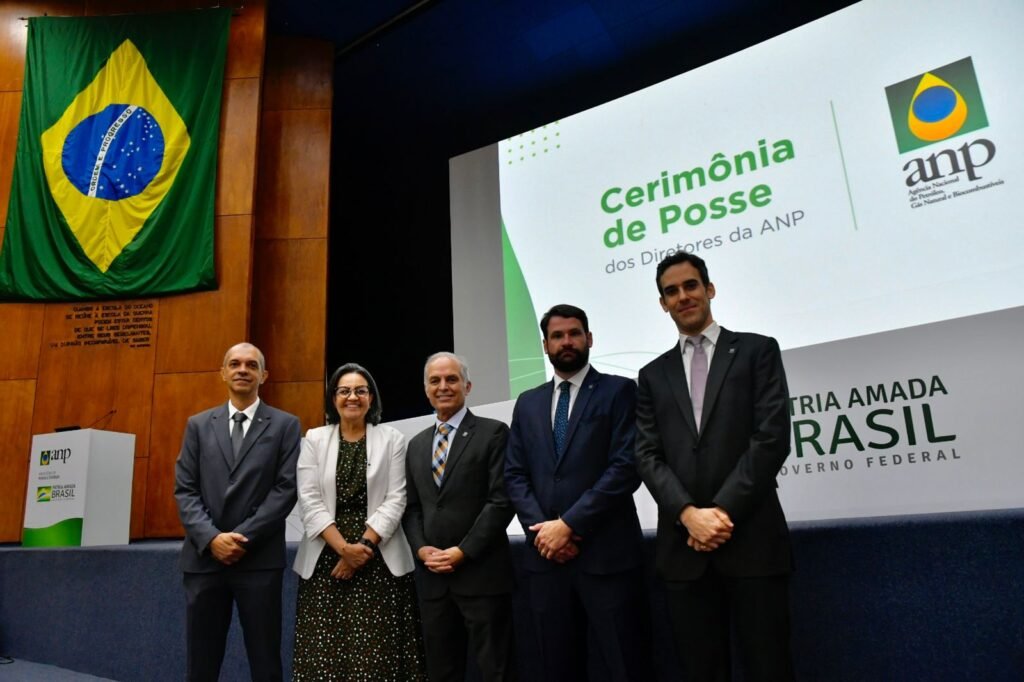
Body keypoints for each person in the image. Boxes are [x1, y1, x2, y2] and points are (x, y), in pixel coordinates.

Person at [635, 252, 794, 682]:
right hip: (683, 550)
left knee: (770, 668)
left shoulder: (757, 350)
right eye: (671, 291)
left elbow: (771, 437)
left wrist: (720, 513)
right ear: (663, 303)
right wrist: (689, 515)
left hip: (752, 540)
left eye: (691, 285)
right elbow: (646, 455)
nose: (683, 296)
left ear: (709, 289)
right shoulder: (651, 375)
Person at [505, 304, 651, 681]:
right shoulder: (528, 402)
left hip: (607, 559)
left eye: (574, 333)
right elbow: (515, 474)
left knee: (626, 666)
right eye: (557, 336)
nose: (566, 342)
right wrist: (544, 533)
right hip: (546, 563)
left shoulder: (620, 391)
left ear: (589, 339)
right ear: (545, 345)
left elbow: (625, 467)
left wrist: (568, 525)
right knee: (556, 669)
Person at [174, 342, 301, 682]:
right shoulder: (198, 425)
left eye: (251, 365)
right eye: (234, 364)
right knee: (201, 664)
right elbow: (185, 489)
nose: (242, 370)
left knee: (265, 661)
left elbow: (286, 489)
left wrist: (242, 537)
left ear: (264, 375)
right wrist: (212, 538)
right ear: (223, 373)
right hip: (204, 560)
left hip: (258, 560)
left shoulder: (286, 425)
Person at [292, 362, 426, 680]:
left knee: (377, 657)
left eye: (360, 391)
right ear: (333, 398)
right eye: (344, 391)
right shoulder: (314, 439)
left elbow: (396, 499)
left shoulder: (392, 439)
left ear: (371, 398)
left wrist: (361, 549)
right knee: (324, 658)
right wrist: (344, 550)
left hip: (378, 559)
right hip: (326, 560)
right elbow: (309, 500)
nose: (352, 397)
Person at [402, 352, 517, 682]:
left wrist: (463, 551)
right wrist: (421, 549)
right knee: (441, 672)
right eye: (435, 381)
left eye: (451, 379)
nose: (443, 386)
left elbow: (501, 501)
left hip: (482, 576)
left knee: (496, 670)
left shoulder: (494, 433)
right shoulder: (417, 445)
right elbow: (412, 508)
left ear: (467, 386)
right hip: (433, 581)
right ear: (426, 390)